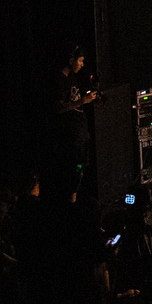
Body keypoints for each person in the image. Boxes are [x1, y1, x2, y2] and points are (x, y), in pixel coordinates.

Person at [51, 48, 97, 201]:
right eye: (80, 61)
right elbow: (59, 108)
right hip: (70, 136)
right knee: (73, 172)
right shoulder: (59, 80)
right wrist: (82, 101)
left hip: (79, 132)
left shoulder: (72, 77)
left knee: (80, 169)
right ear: (71, 61)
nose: (82, 64)